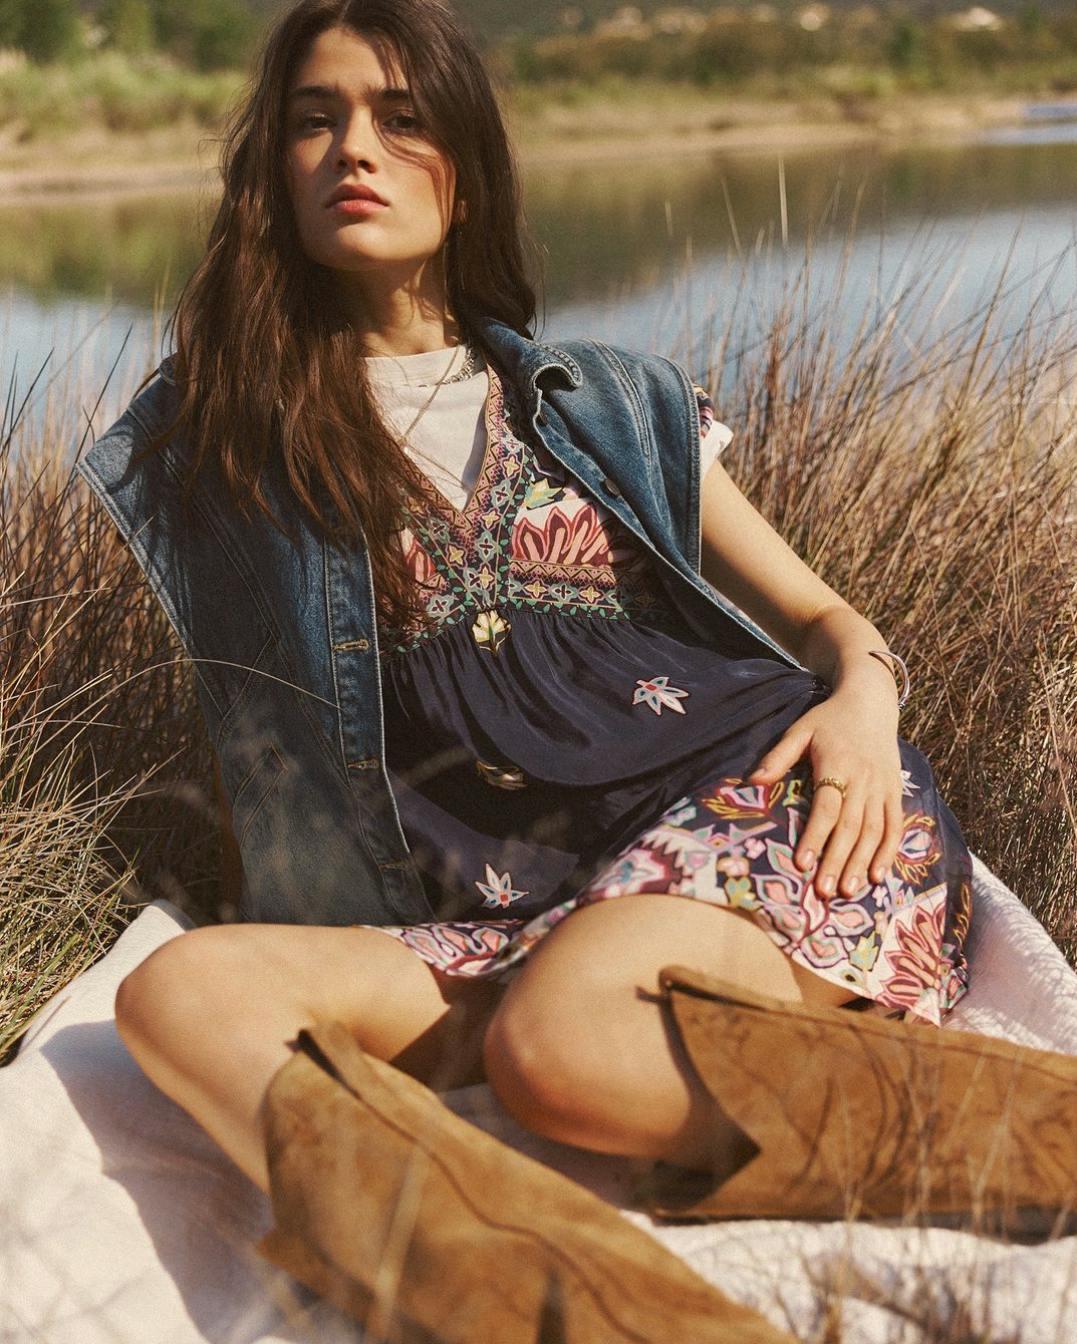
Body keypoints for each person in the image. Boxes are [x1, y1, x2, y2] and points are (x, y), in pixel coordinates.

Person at [79, 0, 973, 1205]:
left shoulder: (607, 398)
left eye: (401, 118)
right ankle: (483, 1258)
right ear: (271, 169)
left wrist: (865, 706)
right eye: (314, 119)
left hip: (736, 815)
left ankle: (998, 1135)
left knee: (560, 1053)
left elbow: (830, 624)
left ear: (468, 165)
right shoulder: (227, 442)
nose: (353, 149)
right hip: (501, 911)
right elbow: (262, 737)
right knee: (181, 995)